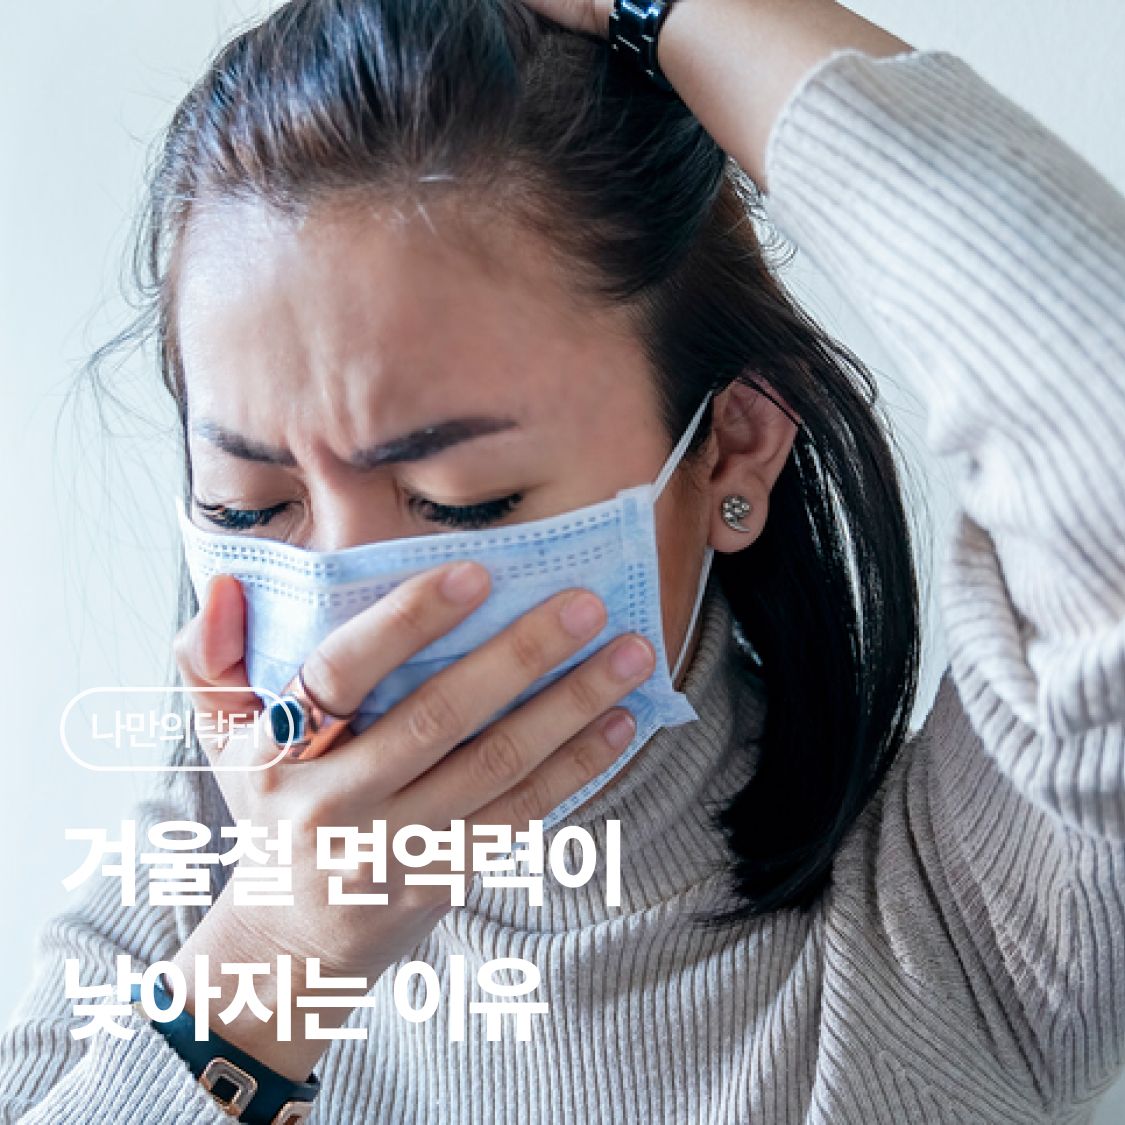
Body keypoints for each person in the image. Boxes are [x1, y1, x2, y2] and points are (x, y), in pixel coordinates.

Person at [3, 0, 1123, 1121]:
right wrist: (272, 958)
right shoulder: (179, 894)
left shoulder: (966, 922)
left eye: (463, 501)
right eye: (250, 507)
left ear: (732, 448)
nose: (348, 618)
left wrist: (663, 7)